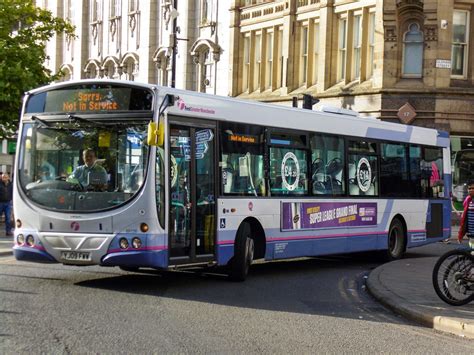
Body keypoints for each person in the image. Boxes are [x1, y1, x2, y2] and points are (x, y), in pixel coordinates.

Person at [457, 180, 474, 244]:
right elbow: (464, 221)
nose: (471, 190)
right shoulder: (468, 201)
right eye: (470, 188)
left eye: (473, 188)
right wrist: (460, 235)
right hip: (471, 235)